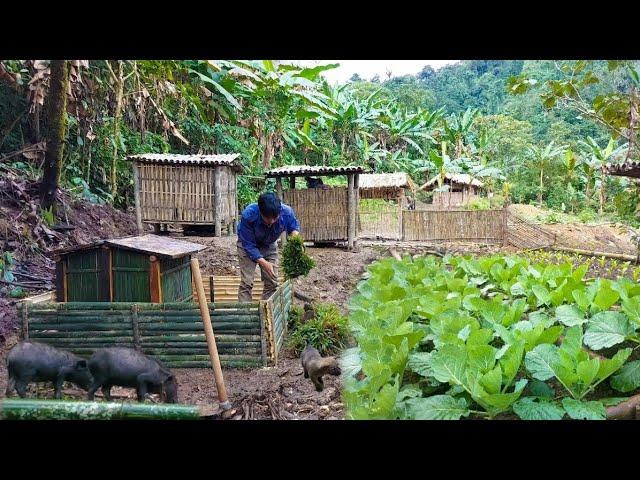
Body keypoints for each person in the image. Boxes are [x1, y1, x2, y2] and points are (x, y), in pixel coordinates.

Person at [236, 192, 300, 302]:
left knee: (272, 281)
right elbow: (248, 245)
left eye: (275, 218)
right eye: (267, 218)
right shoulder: (249, 215)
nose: (271, 221)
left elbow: (293, 228)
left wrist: (295, 242)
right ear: (260, 212)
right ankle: (245, 315)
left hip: (269, 245)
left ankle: (267, 313)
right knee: (247, 282)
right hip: (247, 246)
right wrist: (264, 263)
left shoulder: (287, 212)